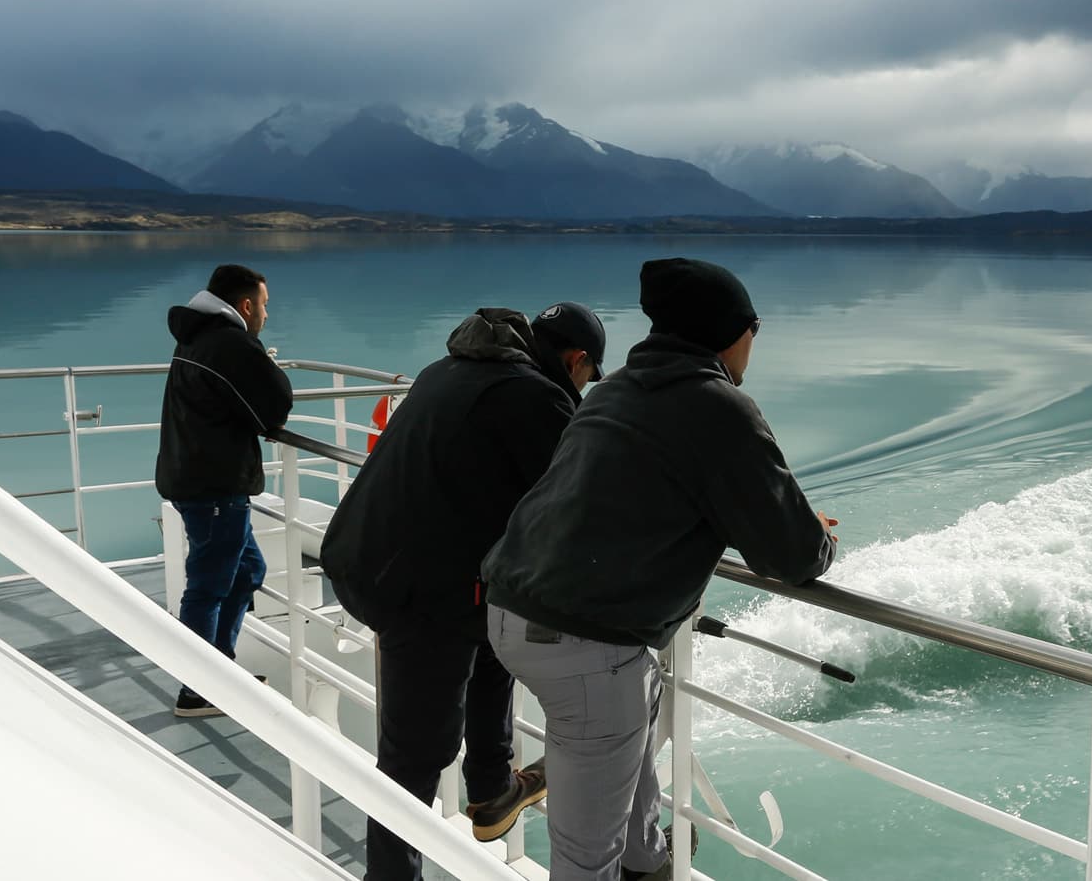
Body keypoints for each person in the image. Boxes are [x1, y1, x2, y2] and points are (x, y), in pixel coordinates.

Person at [482, 257, 839, 881]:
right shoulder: (718, 406)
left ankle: (650, 863)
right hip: (586, 641)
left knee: (629, 734)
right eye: (756, 328)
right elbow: (791, 555)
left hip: (513, 609)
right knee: (585, 858)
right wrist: (818, 538)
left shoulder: (615, 388)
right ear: (732, 332)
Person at [321, 302, 607, 881]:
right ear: (577, 361)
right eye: (588, 377)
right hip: (414, 588)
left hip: (365, 553)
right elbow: (574, 504)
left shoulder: (448, 369)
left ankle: (492, 788)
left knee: (496, 630)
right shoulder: (537, 400)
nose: (583, 388)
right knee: (415, 757)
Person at [155, 263, 293, 718]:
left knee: (247, 570)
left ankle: (221, 670)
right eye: (265, 306)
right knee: (209, 585)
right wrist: (266, 364)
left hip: (197, 477)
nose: (267, 316)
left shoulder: (196, 336)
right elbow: (275, 402)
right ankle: (197, 690)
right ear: (246, 304)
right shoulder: (229, 343)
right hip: (213, 485)